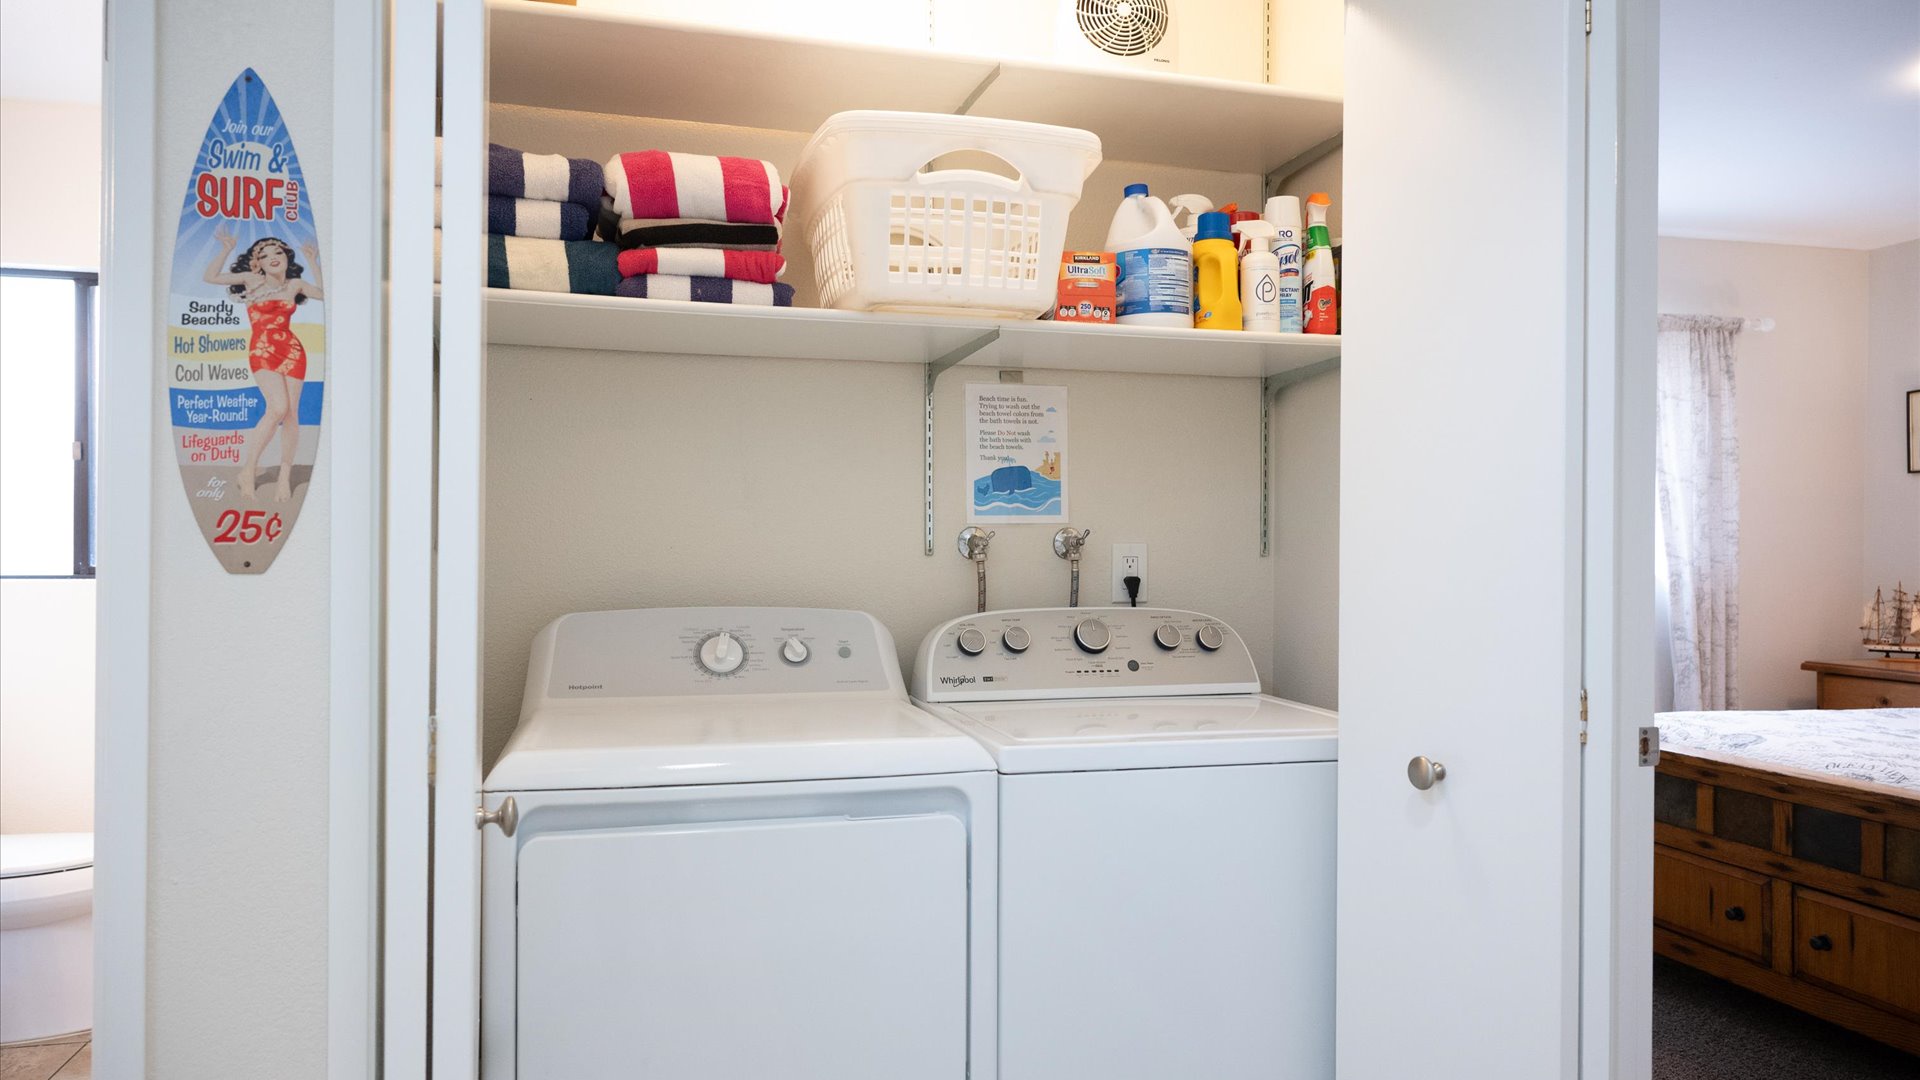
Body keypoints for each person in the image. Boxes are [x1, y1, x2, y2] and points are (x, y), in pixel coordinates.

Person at [203, 227, 324, 501]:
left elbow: (328, 294)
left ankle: (284, 477)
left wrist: (313, 262)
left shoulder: (294, 285)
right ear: (256, 262)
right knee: (277, 407)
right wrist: (225, 249)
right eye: (264, 254)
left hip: (292, 351)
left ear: (286, 256)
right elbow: (209, 277)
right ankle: (248, 470)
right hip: (263, 350)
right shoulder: (250, 279)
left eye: (278, 251)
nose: (273, 257)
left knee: (292, 414)